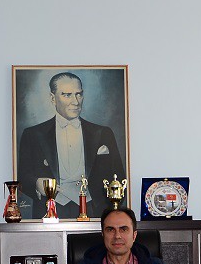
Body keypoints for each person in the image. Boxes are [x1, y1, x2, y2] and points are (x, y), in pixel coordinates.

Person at [17, 71, 125, 220]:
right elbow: (23, 176)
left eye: (78, 94)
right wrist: (36, 183)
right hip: (50, 211)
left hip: (94, 211)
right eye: (67, 95)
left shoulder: (103, 133)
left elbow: (118, 176)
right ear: (53, 98)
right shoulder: (33, 134)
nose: (75, 101)